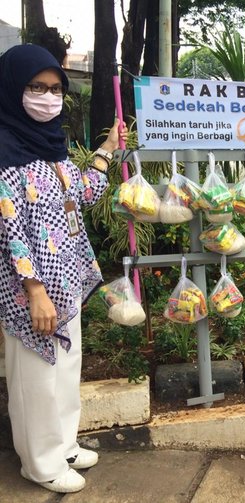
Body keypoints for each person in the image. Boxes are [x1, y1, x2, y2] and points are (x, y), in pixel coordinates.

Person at [0, 44, 127, 493]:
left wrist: (108, 149)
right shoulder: (4, 149)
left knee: (65, 368)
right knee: (35, 377)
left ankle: (64, 445)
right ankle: (40, 463)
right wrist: (33, 289)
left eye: (55, 89)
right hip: (30, 288)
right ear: (14, 88)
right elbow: (9, 225)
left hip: (67, 279)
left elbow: (84, 195)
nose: (48, 97)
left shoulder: (53, 146)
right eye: (37, 87)